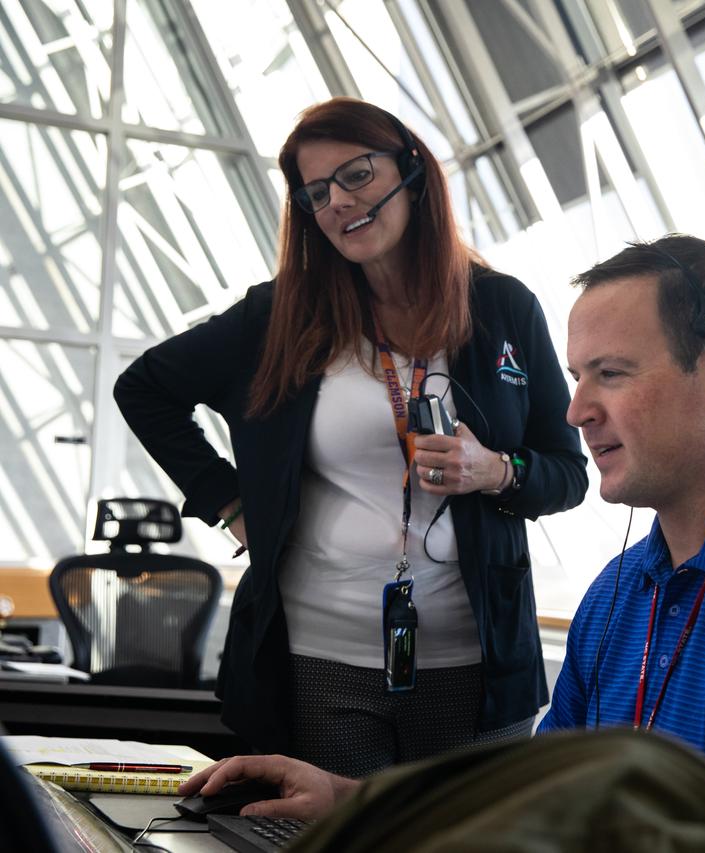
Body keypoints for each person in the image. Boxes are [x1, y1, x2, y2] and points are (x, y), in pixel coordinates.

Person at [179, 236, 705, 852]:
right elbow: (539, 807)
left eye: (610, 374)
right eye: (579, 375)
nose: (576, 410)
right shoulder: (622, 592)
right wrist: (351, 801)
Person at [115, 97, 588, 775]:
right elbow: (144, 389)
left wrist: (494, 469)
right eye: (316, 193)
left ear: (411, 171)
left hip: (476, 663)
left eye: (357, 175)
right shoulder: (281, 315)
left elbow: (567, 473)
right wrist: (233, 506)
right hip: (319, 660)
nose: (338, 201)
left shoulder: (502, 307)